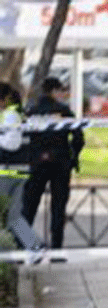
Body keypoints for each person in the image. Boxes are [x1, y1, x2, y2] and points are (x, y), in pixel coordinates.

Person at [22, 77, 85, 251]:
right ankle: (56, 247)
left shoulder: (31, 112)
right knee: (58, 207)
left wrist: (32, 156)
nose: (63, 94)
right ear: (54, 91)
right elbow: (79, 138)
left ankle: (25, 245)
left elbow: (22, 137)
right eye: (61, 91)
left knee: (29, 206)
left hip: (37, 164)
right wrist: (73, 156)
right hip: (60, 164)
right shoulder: (64, 112)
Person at [0, 83, 45, 261]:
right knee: (12, 217)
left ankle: (9, 256)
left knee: (7, 216)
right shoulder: (17, 114)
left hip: (7, 173)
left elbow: (12, 143)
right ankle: (35, 247)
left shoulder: (10, 115)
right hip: (19, 171)